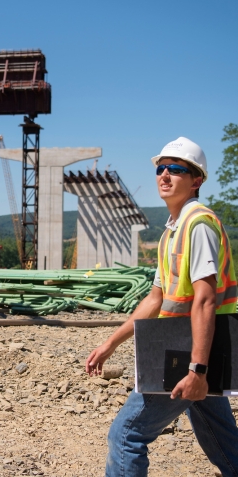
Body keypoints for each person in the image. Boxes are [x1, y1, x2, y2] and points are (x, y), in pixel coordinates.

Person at [85, 136, 238, 477]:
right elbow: (155, 299)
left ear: (196, 180)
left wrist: (197, 370)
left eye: (176, 169)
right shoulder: (174, 230)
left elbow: (205, 298)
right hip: (194, 349)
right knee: (224, 443)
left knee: (126, 435)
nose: (164, 175)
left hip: (188, 355)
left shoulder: (197, 225)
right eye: (160, 168)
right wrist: (111, 343)